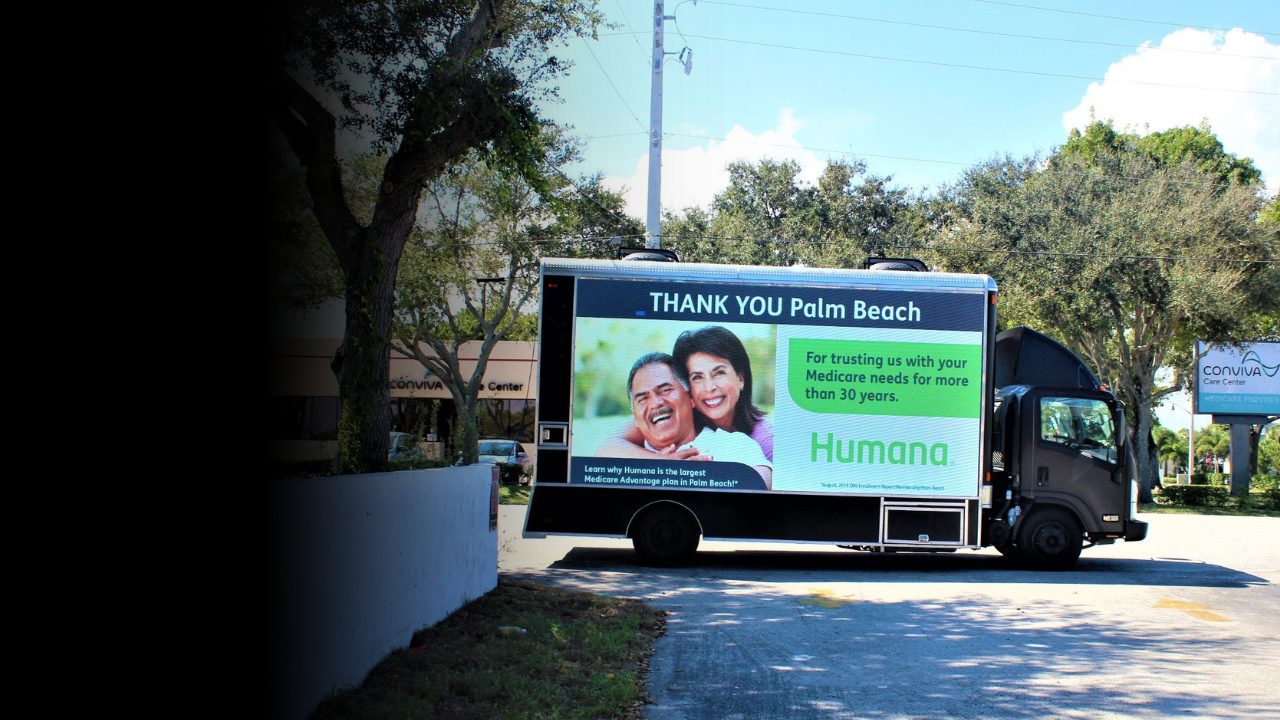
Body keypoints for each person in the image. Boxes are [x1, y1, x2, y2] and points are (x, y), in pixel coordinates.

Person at [597, 352, 772, 489]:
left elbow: (762, 482)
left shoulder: (733, 444)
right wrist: (660, 467)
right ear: (635, 416)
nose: (655, 403)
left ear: (691, 398)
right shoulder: (622, 455)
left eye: (665, 390)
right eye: (643, 398)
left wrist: (696, 478)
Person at [597, 326, 774, 461]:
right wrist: (662, 463)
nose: (709, 387)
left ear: (740, 378)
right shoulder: (670, 416)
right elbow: (607, 448)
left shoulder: (765, 440)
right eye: (697, 377)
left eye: (719, 373)